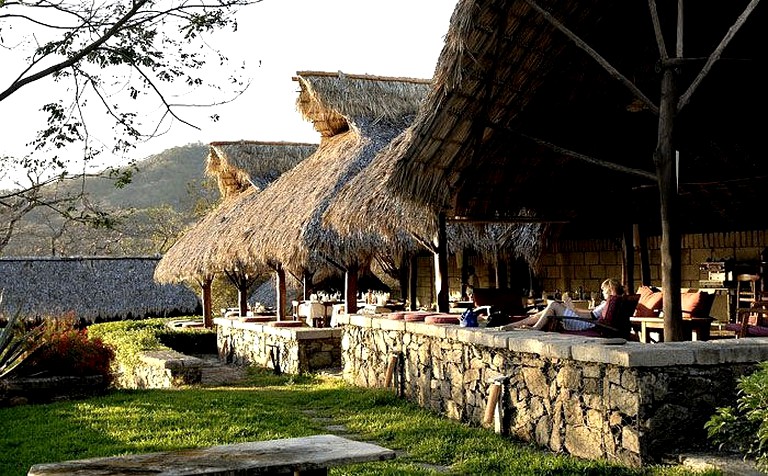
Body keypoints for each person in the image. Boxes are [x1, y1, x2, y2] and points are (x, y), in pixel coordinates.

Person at [500, 278, 624, 332]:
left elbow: (590, 317)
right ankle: (512, 325)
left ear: (610, 289)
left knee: (553, 304)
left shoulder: (609, 302)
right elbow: (591, 312)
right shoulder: (606, 303)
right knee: (543, 312)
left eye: (603, 290)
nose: (602, 292)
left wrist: (573, 310)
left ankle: (535, 328)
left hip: (583, 324)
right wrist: (573, 308)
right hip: (584, 321)